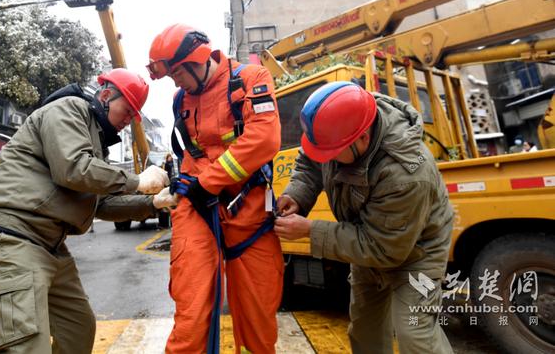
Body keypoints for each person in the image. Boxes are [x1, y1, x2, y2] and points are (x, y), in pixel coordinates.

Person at [0, 68, 176, 354]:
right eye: (127, 110)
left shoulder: (96, 146)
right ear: (106, 95)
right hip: (9, 236)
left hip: (49, 245)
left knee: (78, 327)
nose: (128, 120)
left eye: (133, 116)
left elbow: (101, 204)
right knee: (24, 345)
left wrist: (153, 203)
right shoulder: (69, 109)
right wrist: (136, 181)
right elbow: (72, 169)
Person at [274, 81, 454, 354]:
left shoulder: (405, 174)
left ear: (363, 139)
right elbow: (311, 162)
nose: (329, 160)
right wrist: (297, 195)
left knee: (416, 337)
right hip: (364, 236)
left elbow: (383, 248)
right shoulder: (337, 132)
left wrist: (310, 230)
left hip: (416, 251)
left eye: (334, 155)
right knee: (364, 330)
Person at [147, 24, 283, 353]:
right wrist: (188, 190)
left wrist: (207, 183)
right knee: (191, 309)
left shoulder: (251, 79)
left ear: (196, 62)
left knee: (257, 317)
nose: (175, 83)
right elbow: (193, 153)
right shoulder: (182, 100)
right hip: (197, 208)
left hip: (247, 210)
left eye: (177, 74)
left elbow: (265, 139)